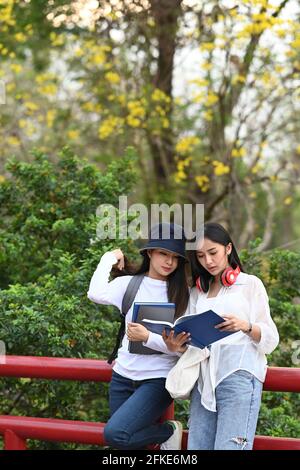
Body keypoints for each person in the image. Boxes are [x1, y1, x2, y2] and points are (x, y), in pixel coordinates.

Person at [165, 222, 279, 450]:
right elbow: (191, 339)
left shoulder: (250, 284)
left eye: (213, 252)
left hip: (238, 377)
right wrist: (177, 345)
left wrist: (245, 326)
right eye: (200, 256)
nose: (208, 261)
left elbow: (271, 339)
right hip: (203, 382)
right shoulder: (197, 292)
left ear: (228, 248)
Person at [87, 222, 190, 450]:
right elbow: (94, 293)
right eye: (163, 253)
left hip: (158, 380)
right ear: (150, 252)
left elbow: (183, 347)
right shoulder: (129, 284)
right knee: (125, 446)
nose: (169, 262)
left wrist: (147, 338)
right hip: (122, 375)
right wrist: (109, 257)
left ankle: (168, 431)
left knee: (115, 435)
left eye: (175, 257)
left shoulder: (185, 296)